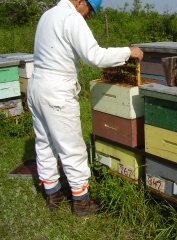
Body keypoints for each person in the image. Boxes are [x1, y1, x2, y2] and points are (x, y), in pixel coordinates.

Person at [27, 0, 144, 216]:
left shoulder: (47, 15)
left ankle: (53, 194)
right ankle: (81, 201)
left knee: (44, 142)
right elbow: (95, 56)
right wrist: (129, 51)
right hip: (57, 90)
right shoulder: (71, 18)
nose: (89, 16)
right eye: (90, 10)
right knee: (72, 147)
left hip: (37, 85)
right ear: (81, 1)